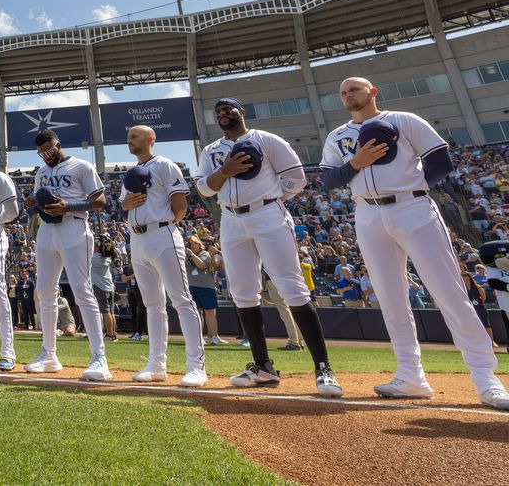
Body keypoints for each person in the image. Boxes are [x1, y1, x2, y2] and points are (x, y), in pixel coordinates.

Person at [319, 76, 508, 409]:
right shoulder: (337, 135)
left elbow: (441, 162)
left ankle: (485, 378)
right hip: (366, 213)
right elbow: (329, 179)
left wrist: (410, 186)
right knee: (390, 298)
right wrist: (356, 163)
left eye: (354, 89)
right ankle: (410, 376)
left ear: (372, 92)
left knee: (448, 291)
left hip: (412, 207)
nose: (348, 95)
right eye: (343, 92)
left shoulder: (403, 120)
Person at [196, 97, 340, 397]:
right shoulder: (211, 150)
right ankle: (262, 367)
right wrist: (225, 170)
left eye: (228, 109)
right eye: (218, 111)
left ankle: (323, 368)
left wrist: (272, 199)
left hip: (267, 213)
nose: (223, 114)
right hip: (231, 219)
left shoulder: (267, 140)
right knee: (243, 292)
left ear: (242, 112)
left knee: (292, 288)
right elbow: (204, 188)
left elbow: (296, 178)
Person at [120, 125, 207, 387]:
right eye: (128, 137)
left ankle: (196, 367)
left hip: (162, 233)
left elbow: (180, 205)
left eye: (134, 136)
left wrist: (167, 226)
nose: (129, 140)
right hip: (137, 238)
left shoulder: (165, 164)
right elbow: (125, 206)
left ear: (150, 139)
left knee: (181, 300)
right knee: (152, 304)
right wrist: (125, 205)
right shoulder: (130, 172)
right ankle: (157, 365)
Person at [22, 129, 111, 382]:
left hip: (74, 226)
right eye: (41, 153)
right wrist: (31, 204)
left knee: (82, 289)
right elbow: (38, 203)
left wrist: (69, 206)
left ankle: (99, 357)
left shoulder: (81, 166)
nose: (46, 155)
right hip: (47, 230)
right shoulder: (41, 172)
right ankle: (49, 355)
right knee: (44, 291)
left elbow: (100, 201)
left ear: (58, 145)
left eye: (49, 150)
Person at [184, 235, 227, 346]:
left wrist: (192, 254)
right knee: (197, 313)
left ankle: (214, 336)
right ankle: (199, 337)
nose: (190, 246)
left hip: (206, 287)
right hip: (192, 286)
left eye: (192, 243)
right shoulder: (186, 255)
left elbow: (202, 265)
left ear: (198, 244)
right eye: (188, 244)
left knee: (209, 312)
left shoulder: (204, 254)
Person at [90, 235, 118, 342]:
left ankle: (110, 335)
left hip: (100, 286)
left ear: (97, 248)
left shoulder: (94, 259)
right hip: (109, 286)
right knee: (111, 312)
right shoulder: (107, 258)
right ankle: (113, 334)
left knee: (105, 311)